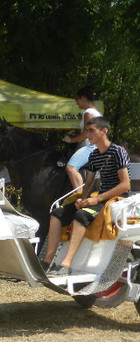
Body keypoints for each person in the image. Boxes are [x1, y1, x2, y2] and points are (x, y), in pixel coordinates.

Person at [44, 117, 130, 276]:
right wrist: (83, 199)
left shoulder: (118, 151)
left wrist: (95, 199)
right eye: (87, 131)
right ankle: (47, 262)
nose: (87, 134)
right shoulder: (94, 155)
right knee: (57, 213)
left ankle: (66, 264)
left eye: (91, 131)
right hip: (99, 198)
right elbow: (88, 183)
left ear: (104, 131)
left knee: (81, 215)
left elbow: (125, 185)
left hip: (117, 200)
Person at [62, 86, 102, 188]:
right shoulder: (96, 113)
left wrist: (70, 140)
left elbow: (85, 135)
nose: (76, 102)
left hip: (90, 147)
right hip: (97, 146)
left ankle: (79, 196)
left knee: (70, 167)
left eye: (77, 99)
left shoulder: (87, 113)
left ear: (83, 98)